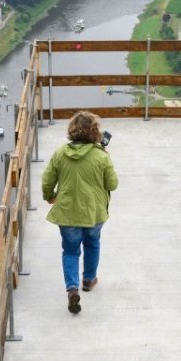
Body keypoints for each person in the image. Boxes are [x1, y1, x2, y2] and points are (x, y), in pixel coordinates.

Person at [42, 111, 118, 314]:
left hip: (67, 213)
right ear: (95, 132)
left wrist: (49, 195)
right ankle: (89, 279)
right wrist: (105, 159)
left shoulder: (60, 153)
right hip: (94, 213)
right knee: (92, 243)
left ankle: (72, 288)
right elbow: (113, 183)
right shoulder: (101, 156)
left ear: (71, 130)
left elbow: (47, 180)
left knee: (70, 250)